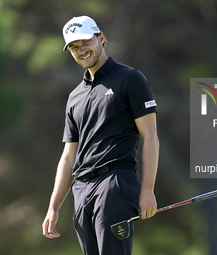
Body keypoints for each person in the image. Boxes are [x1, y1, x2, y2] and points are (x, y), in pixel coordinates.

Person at [42, 15, 159, 255]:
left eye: (86, 41)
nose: (81, 50)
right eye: (74, 47)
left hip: (115, 183)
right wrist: (54, 207)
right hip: (81, 189)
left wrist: (147, 189)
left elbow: (150, 136)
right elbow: (68, 156)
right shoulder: (74, 96)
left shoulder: (130, 79)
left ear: (101, 38)